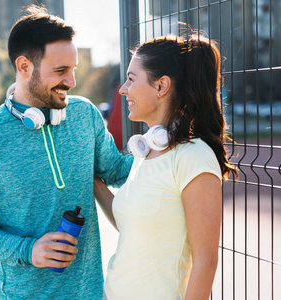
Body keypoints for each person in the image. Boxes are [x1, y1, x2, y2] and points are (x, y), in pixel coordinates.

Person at [0, 5, 133, 300]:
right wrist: (28, 250)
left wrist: (165, 147)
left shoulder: (85, 115)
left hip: (90, 292)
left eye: (72, 70)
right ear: (24, 67)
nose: (71, 82)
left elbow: (116, 171)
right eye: (60, 71)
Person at [94, 33, 238, 300]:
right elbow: (134, 226)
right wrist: (93, 181)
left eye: (131, 79)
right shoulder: (148, 151)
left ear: (161, 86)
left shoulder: (194, 157)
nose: (123, 89)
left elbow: (205, 264)